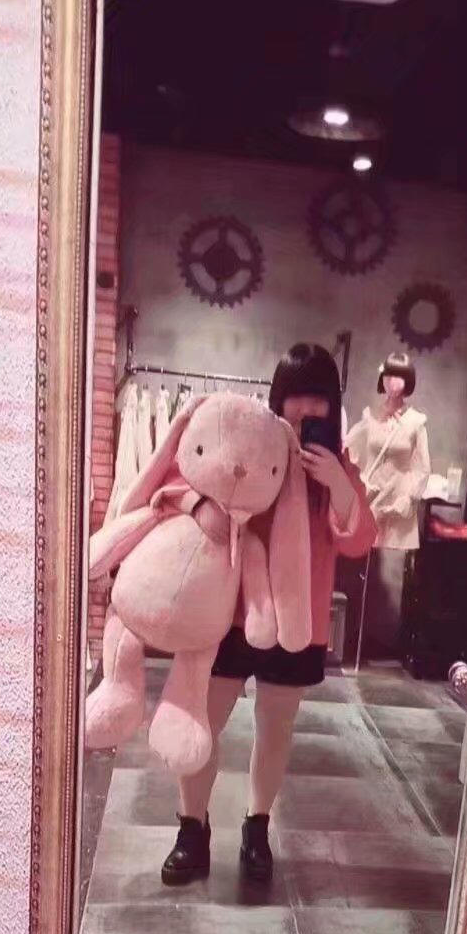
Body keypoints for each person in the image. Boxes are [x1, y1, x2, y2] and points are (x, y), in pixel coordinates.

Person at [162, 343, 377, 887]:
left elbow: (359, 542)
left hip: (297, 623)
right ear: (277, 399)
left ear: (332, 404)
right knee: (202, 724)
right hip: (229, 611)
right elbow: (190, 479)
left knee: (275, 728)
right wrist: (202, 506)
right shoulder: (252, 440)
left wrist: (338, 484)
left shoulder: (340, 467)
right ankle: (192, 829)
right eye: (295, 397)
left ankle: (256, 828)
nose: (305, 410)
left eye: (318, 399)